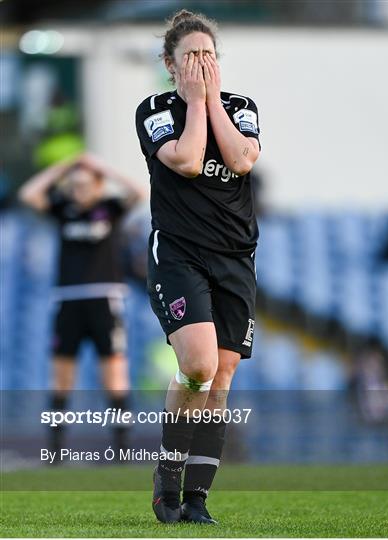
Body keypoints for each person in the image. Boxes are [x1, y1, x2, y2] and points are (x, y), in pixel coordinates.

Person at [136, 10, 261, 524]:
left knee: (223, 377)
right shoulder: (155, 109)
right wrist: (192, 103)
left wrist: (210, 104)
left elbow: (241, 159)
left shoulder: (241, 107)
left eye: (209, 55)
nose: (201, 64)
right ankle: (167, 476)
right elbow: (187, 160)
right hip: (181, 253)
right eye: (190, 56)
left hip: (236, 256)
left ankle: (197, 499)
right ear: (170, 64)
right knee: (199, 368)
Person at [18, 153, 144, 454]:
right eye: (74, 185)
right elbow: (29, 194)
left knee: (114, 373)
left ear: (99, 185)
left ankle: (122, 446)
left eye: (85, 184)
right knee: (61, 376)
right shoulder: (63, 209)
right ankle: (56, 447)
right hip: (69, 299)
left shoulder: (109, 209)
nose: (79, 190)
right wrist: (64, 167)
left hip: (104, 298)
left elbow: (140, 192)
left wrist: (105, 168)